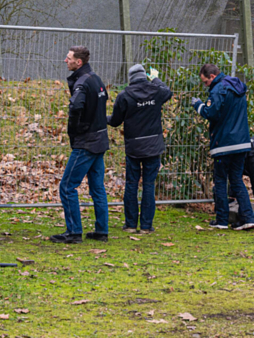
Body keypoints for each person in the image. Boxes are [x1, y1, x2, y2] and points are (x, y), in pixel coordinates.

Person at [51, 46, 110, 244]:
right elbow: (103, 102)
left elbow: (76, 107)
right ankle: (102, 231)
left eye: (68, 58)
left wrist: (75, 131)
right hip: (100, 140)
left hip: (86, 143)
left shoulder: (82, 83)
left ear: (79, 62)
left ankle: (74, 232)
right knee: (97, 188)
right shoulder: (96, 79)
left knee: (67, 186)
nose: (64, 61)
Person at [107, 63, 172, 233]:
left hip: (134, 146)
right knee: (149, 185)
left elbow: (115, 121)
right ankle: (145, 226)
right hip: (153, 146)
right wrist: (156, 78)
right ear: (145, 76)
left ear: (130, 79)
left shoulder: (124, 96)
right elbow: (168, 92)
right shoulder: (156, 91)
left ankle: (130, 224)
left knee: (131, 184)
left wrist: (102, 117)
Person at [191, 63, 254, 231]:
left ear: (212, 77)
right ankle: (248, 218)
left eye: (205, 82)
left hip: (223, 143)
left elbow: (211, 113)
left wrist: (198, 105)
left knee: (220, 181)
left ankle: (221, 220)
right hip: (241, 141)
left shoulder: (218, 89)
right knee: (236, 180)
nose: (205, 85)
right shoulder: (237, 87)